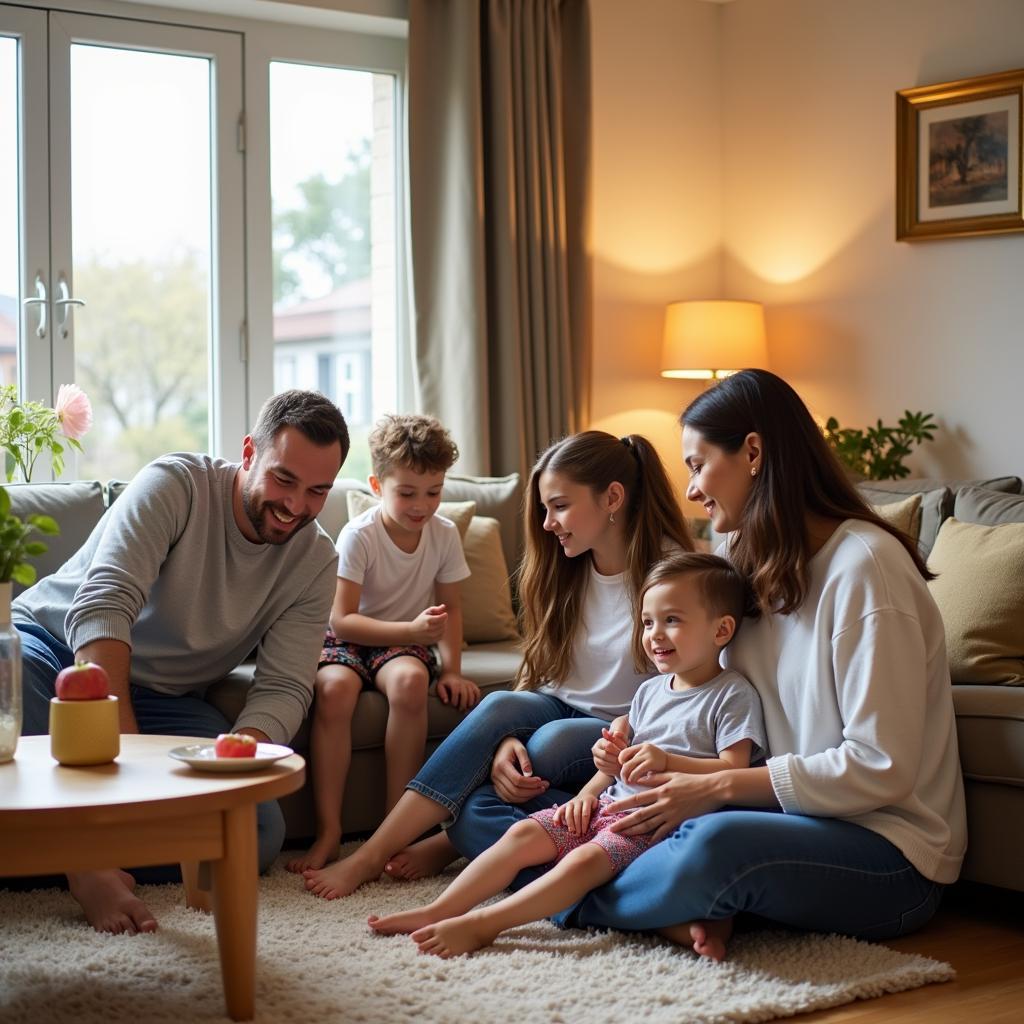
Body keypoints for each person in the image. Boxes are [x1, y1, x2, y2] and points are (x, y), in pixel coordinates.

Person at [489, 368, 965, 961]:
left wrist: (711, 787)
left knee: (711, 842)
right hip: (756, 804)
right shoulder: (738, 554)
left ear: (754, 452)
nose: (691, 490)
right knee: (517, 799)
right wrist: (626, 753)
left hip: (883, 849)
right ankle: (612, 884)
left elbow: (880, 767)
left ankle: (551, 883)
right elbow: (689, 684)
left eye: (697, 464)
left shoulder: (867, 569)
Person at [301, 430, 692, 899]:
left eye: (560, 506)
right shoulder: (565, 568)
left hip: (625, 733)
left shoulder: (672, 576)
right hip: (554, 708)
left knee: (546, 746)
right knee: (496, 729)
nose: (548, 524)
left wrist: (548, 740)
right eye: (545, 509)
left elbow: (689, 692)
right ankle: (392, 850)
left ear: (612, 498)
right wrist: (507, 737)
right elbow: (541, 674)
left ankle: (460, 844)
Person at [14, 389, 350, 935]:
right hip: (58, 650)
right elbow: (102, 610)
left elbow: (285, 687)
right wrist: (122, 771)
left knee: (252, 830)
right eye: (284, 480)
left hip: (166, 698)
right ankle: (86, 867)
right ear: (248, 452)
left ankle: (40, 848)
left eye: (317, 491)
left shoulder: (315, 560)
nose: (296, 506)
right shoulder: (176, 484)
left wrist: (239, 761)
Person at [367, 551, 766, 960]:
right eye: (648, 622)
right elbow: (613, 767)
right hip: (609, 806)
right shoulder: (649, 692)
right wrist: (589, 792)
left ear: (721, 631)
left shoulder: (732, 695)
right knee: (521, 833)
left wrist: (667, 762)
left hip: (656, 821)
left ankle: (485, 924)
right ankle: (439, 909)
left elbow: (732, 772)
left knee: (581, 863)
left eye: (672, 620)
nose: (655, 635)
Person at [286, 414, 481, 875]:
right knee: (333, 691)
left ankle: (397, 827)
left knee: (413, 683)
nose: (422, 505)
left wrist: (451, 669)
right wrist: (411, 632)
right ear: (377, 484)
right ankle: (329, 831)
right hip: (353, 637)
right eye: (407, 493)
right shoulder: (360, 535)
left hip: (403, 644)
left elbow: (451, 609)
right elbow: (343, 619)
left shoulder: (444, 534)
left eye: (433, 492)